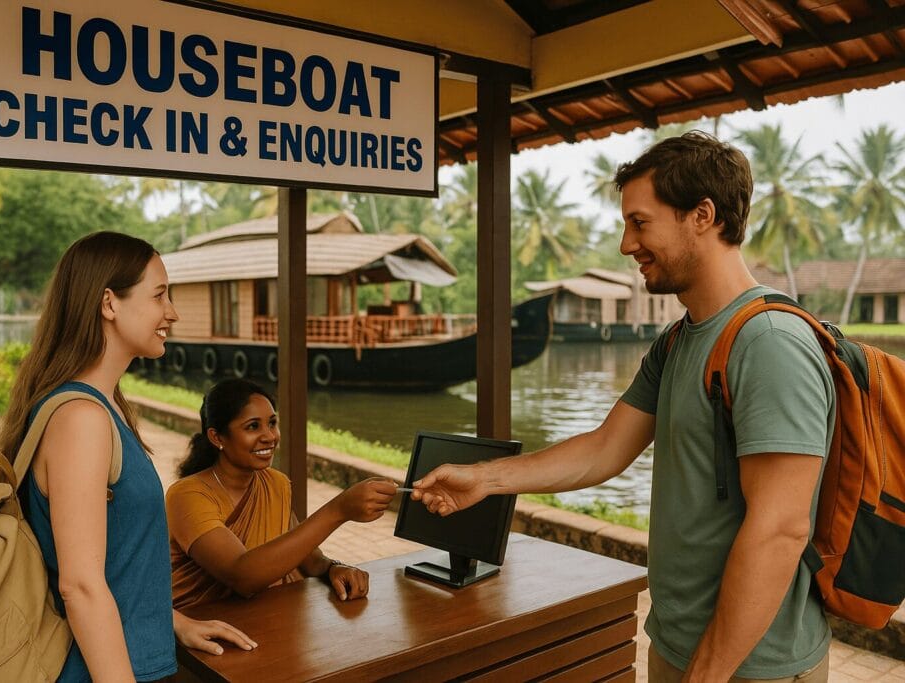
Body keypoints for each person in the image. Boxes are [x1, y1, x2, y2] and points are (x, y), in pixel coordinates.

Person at [412, 132, 835, 682]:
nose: (625, 244)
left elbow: (781, 528)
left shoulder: (769, 342)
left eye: (640, 222)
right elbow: (603, 451)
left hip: (752, 666)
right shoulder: (680, 339)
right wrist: (486, 479)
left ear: (702, 216)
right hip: (680, 644)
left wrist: (706, 675)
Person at [0, 231, 256, 682]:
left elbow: (119, 561)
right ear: (109, 303)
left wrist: (172, 623)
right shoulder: (82, 418)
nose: (172, 312)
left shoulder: (104, 405)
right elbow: (79, 585)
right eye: (159, 296)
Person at [166, 378, 397, 610]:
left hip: (267, 618)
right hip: (199, 631)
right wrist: (338, 510)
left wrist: (332, 568)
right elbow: (242, 576)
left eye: (272, 423)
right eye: (253, 426)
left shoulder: (274, 483)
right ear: (217, 437)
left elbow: (304, 555)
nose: (270, 436)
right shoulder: (188, 496)